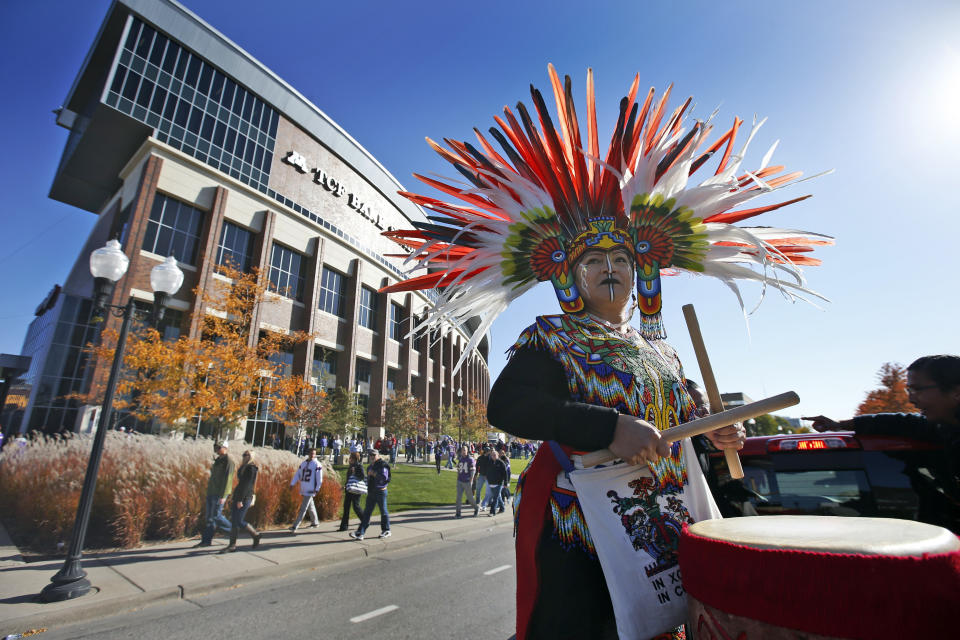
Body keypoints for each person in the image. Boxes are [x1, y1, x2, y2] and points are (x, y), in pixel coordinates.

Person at [377, 68, 828, 639]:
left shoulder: (659, 350)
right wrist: (610, 425)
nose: (609, 268)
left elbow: (684, 424)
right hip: (582, 523)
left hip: (668, 514)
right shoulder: (552, 337)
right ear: (572, 279)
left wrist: (716, 436)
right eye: (593, 261)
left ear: (639, 271)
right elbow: (507, 406)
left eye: (620, 259)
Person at [804, 354, 960, 533]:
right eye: (909, 390)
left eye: (917, 389)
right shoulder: (942, 427)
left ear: (956, 392)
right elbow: (902, 422)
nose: (911, 399)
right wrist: (840, 425)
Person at [194, 440, 235, 548]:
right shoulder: (218, 460)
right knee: (210, 517)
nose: (216, 449)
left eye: (219, 447)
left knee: (216, 516)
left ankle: (233, 530)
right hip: (212, 491)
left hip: (219, 492)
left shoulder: (228, 461)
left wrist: (223, 495)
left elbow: (228, 479)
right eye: (216, 447)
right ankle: (206, 541)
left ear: (225, 447)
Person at [222, 449, 260, 553]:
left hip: (245, 497)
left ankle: (255, 534)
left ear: (251, 456)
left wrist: (240, 500)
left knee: (239, 520)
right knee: (234, 520)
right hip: (239, 495)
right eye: (243, 454)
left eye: (246, 455)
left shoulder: (251, 468)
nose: (243, 456)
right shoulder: (244, 467)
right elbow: (241, 483)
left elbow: (247, 485)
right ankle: (232, 545)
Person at [350, 448, 392, 541]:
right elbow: (368, 479)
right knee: (367, 513)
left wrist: (374, 474)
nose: (372, 457)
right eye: (370, 455)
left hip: (381, 491)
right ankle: (360, 532)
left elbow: (384, 478)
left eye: (374, 455)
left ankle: (386, 530)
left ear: (378, 455)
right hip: (371, 492)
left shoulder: (382, 465)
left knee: (383, 511)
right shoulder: (370, 466)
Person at [289, 448, 322, 533]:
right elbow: (298, 474)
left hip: (311, 489)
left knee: (303, 508)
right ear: (308, 453)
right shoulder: (303, 464)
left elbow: (319, 478)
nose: (312, 455)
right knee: (311, 506)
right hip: (304, 487)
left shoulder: (317, 464)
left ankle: (295, 525)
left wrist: (317, 488)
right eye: (311, 453)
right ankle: (315, 522)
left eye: (314, 454)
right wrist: (292, 483)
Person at [339, 451, 367, 531]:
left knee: (356, 506)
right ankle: (344, 526)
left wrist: (355, 472)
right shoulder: (351, 466)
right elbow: (349, 478)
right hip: (349, 489)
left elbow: (362, 476)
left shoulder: (358, 466)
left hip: (356, 490)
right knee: (346, 507)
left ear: (353, 459)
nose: (349, 459)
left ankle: (365, 520)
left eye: (350, 458)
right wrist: (345, 486)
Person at [455, 446, 480, 518]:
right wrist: (457, 477)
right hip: (460, 481)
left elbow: (473, 471)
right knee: (458, 498)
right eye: (462, 450)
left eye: (465, 450)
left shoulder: (470, 459)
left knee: (470, 498)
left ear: (467, 451)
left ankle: (476, 508)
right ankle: (458, 513)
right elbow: (459, 469)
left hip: (467, 481)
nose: (463, 451)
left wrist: (471, 480)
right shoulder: (460, 459)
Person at [475, 446, 491, 510]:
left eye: (489, 451)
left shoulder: (490, 458)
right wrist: (476, 474)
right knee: (478, 489)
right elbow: (477, 466)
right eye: (488, 451)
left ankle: (488, 502)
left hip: (488, 476)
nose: (488, 452)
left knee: (488, 491)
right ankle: (478, 501)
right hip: (481, 475)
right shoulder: (480, 458)